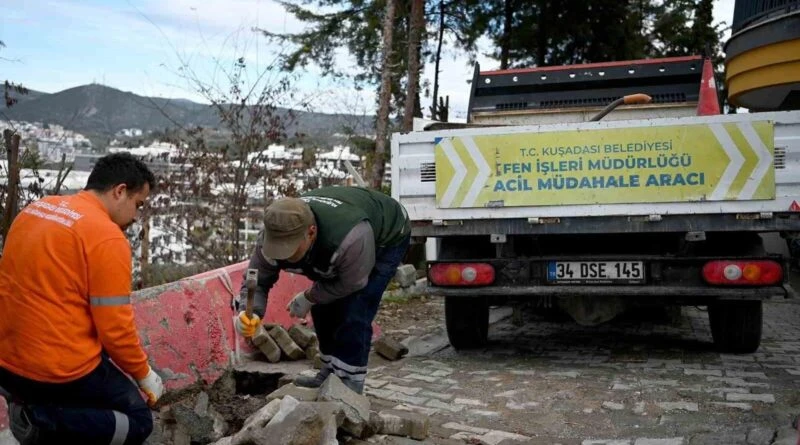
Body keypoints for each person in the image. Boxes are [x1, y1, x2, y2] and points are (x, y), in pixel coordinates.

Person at [0, 152, 164, 445]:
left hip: (7, 361)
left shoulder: (37, 210)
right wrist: (143, 373)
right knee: (138, 421)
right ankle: (39, 422)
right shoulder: (107, 238)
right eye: (138, 205)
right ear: (120, 191)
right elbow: (115, 330)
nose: (136, 216)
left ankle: (38, 411)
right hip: (53, 370)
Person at [234, 186, 411, 394]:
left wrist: (310, 296)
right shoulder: (272, 234)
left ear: (311, 232)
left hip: (387, 236)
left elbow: (352, 284)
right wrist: (249, 313)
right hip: (334, 246)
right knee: (323, 308)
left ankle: (348, 388)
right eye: (278, 248)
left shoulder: (351, 237)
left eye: (290, 248)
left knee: (355, 310)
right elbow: (258, 280)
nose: (283, 256)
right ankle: (328, 373)